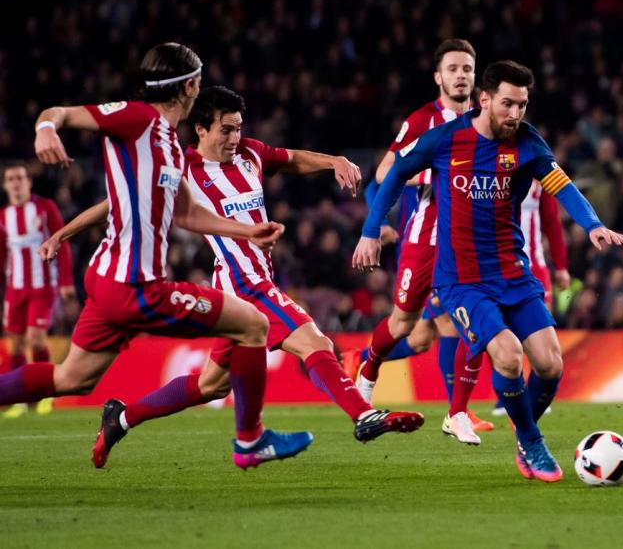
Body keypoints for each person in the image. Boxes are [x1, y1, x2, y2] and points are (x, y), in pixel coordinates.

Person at [43, 86, 426, 466]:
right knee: (316, 343)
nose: (234, 138)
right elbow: (116, 203)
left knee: (212, 385)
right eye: (225, 130)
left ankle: (121, 418)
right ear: (202, 130)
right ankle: (364, 415)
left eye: (238, 128)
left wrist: (333, 161)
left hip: (247, 284)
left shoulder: (250, 154)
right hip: (244, 284)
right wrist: (63, 232)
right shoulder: (181, 168)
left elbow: (291, 158)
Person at [0, 42, 311, 469]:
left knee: (71, 377)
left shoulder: (165, 141)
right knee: (253, 324)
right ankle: (250, 442)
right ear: (189, 87)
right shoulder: (138, 118)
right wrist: (46, 129)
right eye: (197, 80)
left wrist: (246, 231)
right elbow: (59, 112)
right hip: (136, 286)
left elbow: (185, 212)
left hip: (110, 279)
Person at [353, 60, 623, 482]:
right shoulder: (445, 139)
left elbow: (562, 187)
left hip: (513, 274)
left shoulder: (529, 144)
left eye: (522, 105)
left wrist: (591, 224)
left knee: (552, 366)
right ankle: (532, 442)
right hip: (462, 281)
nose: (515, 114)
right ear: (484, 100)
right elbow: (393, 176)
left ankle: (523, 432)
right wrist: (372, 230)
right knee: (508, 354)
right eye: (507, 104)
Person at [353, 39, 493, 443]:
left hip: (470, 244)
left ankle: (457, 412)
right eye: (453, 68)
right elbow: (384, 172)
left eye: (467, 68)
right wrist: (434, 172)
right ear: (439, 77)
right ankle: (369, 366)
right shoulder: (421, 121)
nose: (461, 75)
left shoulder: (488, 121)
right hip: (425, 238)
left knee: (474, 324)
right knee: (405, 326)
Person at [0, 163, 76, 417]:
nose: (16, 183)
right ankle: (15, 399)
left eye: (20, 177)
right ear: (5, 185)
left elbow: (62, 244)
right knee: (17, 344)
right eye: (11, 179)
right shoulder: (3, 216)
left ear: (28, 182)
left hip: (42, 286)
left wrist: (66, 281)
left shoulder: (44, 208)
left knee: (36, 339)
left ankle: (42, 395)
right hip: (15, 288)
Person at [490, 180, 568, 417]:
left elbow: (552, 222)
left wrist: (561, 265)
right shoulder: (490, 173)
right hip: (499, 268)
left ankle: (534, 392)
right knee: (498, 334)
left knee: (540, 333)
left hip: (536, 269)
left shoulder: (538, 173)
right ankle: (506, 395)